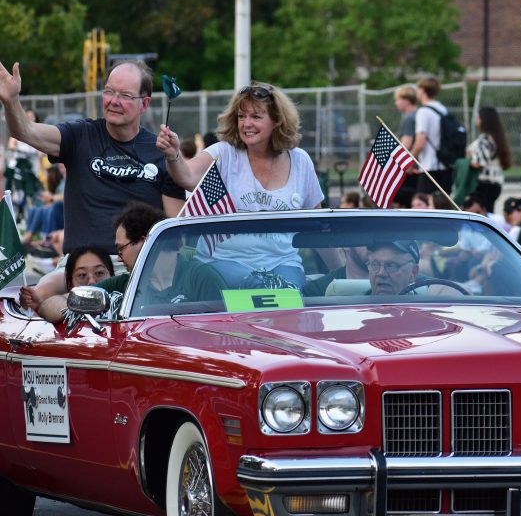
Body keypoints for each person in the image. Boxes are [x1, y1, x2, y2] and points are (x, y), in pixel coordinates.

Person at [0, 58, 186, 305]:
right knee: (47, 300)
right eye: (109, 91)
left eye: (124, 95)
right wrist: (11, 101)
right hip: (78, 266)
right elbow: (25, 131)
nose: (113, 101)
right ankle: (48, 300)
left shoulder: (162, 152)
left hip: (137, 268)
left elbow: (174, 233)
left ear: (145, 103)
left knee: (64, 305)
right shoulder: (80, 135)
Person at [156, 81, 325, 289]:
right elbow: (187, 176)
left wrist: (342, 271)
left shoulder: (301, 160)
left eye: (256, 116)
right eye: (241, 116)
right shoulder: (224, 153)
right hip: (222, 262)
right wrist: (173, 155)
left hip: (283, 263)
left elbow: (318, 226)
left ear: (277, 121)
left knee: (288, 292)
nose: (246, 124)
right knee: (260, 286)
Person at [37, 202, 166, 322]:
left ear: (142, 243)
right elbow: (48, 306)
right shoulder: (122, 283)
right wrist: (78, 306)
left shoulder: (186, 274)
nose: (119, 258)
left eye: (121, 249)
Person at [410, 75, 451, 195]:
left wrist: (410, 162)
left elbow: (420, 142)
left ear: (422, 90)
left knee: (425, 204)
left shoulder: (423, 112)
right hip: (445, 165)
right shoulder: (443, 109)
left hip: (430, 166)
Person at [467, 107, 512, 212]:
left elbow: (479, 162)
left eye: (478, 117)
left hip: (484, 184)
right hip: (496, 182)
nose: (476, 120)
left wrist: (466, 161)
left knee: (482, 214)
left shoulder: (485, 139)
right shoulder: (497, 137)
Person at [393, 84, 419, 207]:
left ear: (406, 100)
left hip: (410, 169)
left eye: (398, 99)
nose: (396, 103)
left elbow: (406, 145)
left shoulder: (409, 118)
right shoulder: (419, 114)